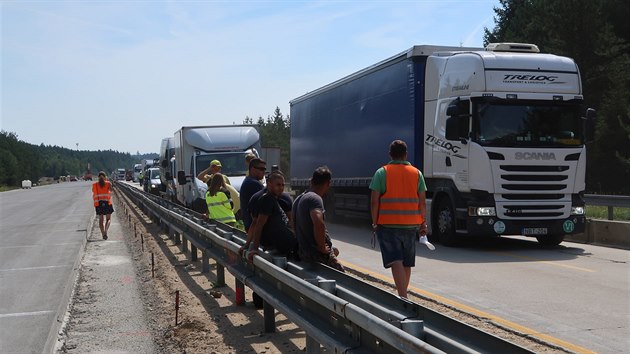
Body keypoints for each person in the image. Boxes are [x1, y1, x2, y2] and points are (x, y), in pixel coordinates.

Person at [369, 140, 433, 298]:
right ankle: (403, 294)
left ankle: (403, 296)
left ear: (390, 154)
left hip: (388, 224)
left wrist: (375, 221)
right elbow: (422, 202)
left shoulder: (382, 172)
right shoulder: (416, 173)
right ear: (406, 154)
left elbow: (374, 201)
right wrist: (423, 222)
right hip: (411, 225)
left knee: (395, 260)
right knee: (406, 262)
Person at [293, 166, 344, 272]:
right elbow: (318, 222)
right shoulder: (315, 198)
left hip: (303, 252)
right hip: (316, 254)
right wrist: (322, 247)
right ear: (328, 184)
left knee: (335, 250)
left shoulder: (299, 198)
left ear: (312, 181)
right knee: (342, 276)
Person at [240, 172, 298, 260]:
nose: (281, 188)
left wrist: (247, 245)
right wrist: (254, 248)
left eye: (283, 185)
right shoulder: (267, 199)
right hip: (284, 246)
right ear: (269, 184)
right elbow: (258, 224)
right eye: (278, 185)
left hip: (288, 245)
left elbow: (255, 223)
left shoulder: (272, 198)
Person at [239, 158, 266, 231]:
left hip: (251, 225)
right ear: (253, 169)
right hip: (255, 226)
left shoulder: (249, 181)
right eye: (261, 169)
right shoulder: (254, 184)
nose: (264, 172)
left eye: (264, 169)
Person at [92, 171, 114, 240]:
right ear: (105, 177)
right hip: (107, 203)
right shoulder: (108, 183)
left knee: (101, 220)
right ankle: (106, 231)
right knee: (108, 219)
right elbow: (111, 190)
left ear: (98, 177)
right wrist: (107, 182)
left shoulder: (95, 185)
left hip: (99, 204)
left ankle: (103, 233)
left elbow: (93, 191)